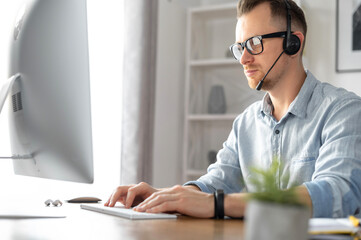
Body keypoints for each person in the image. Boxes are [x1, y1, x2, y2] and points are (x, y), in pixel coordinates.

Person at [105, 0, 361, 218]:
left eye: (255, 43)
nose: (244, 59)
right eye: (240, 47)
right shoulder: (246, 123)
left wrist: (216, 204)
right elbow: (218, 182)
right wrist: (167, 196)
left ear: (293, 43)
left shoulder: (343, 111)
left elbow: (337, 192)